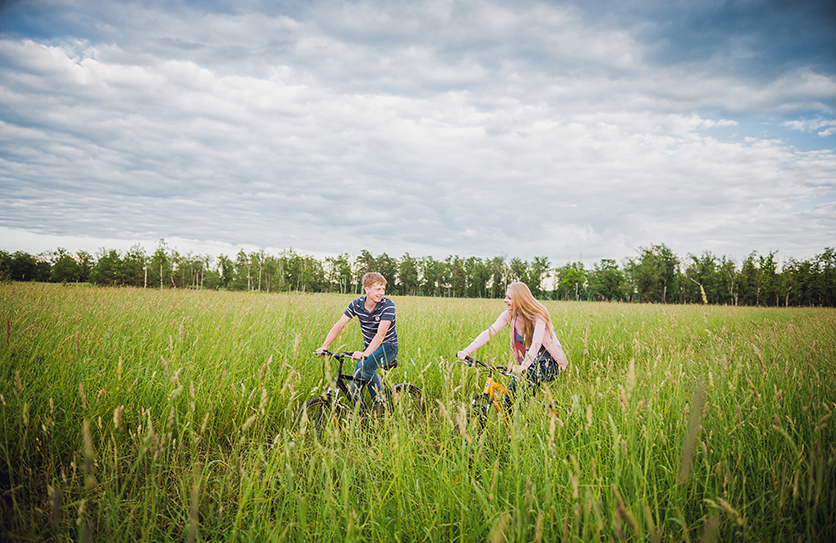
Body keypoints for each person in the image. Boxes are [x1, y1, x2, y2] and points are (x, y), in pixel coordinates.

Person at [457, 281, 568, 401]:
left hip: (548, 364)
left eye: (509, 298)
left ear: (520, 300)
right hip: (528, 363)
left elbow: (536, 343)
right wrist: (466, 351)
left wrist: (524, 366)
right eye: (505, 296)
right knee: (511, 397)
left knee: (515, 391)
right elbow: (488, 333)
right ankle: (522, 413)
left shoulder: (538, 316)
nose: (504, 300)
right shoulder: (509, 315)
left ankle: (524, 416)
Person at [316, 272, 398, 408]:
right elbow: (339, 325)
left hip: (387, 347)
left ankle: (381, 407)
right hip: (369, 349)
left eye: (383, 289)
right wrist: (325, 346)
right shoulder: (357, 304)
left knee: (366, 367)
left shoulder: (387, 306)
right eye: (378, 289)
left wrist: (365, 354)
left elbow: (381, 334)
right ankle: (363, 418)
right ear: (367, 289)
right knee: (353, 389)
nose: (381, 293)